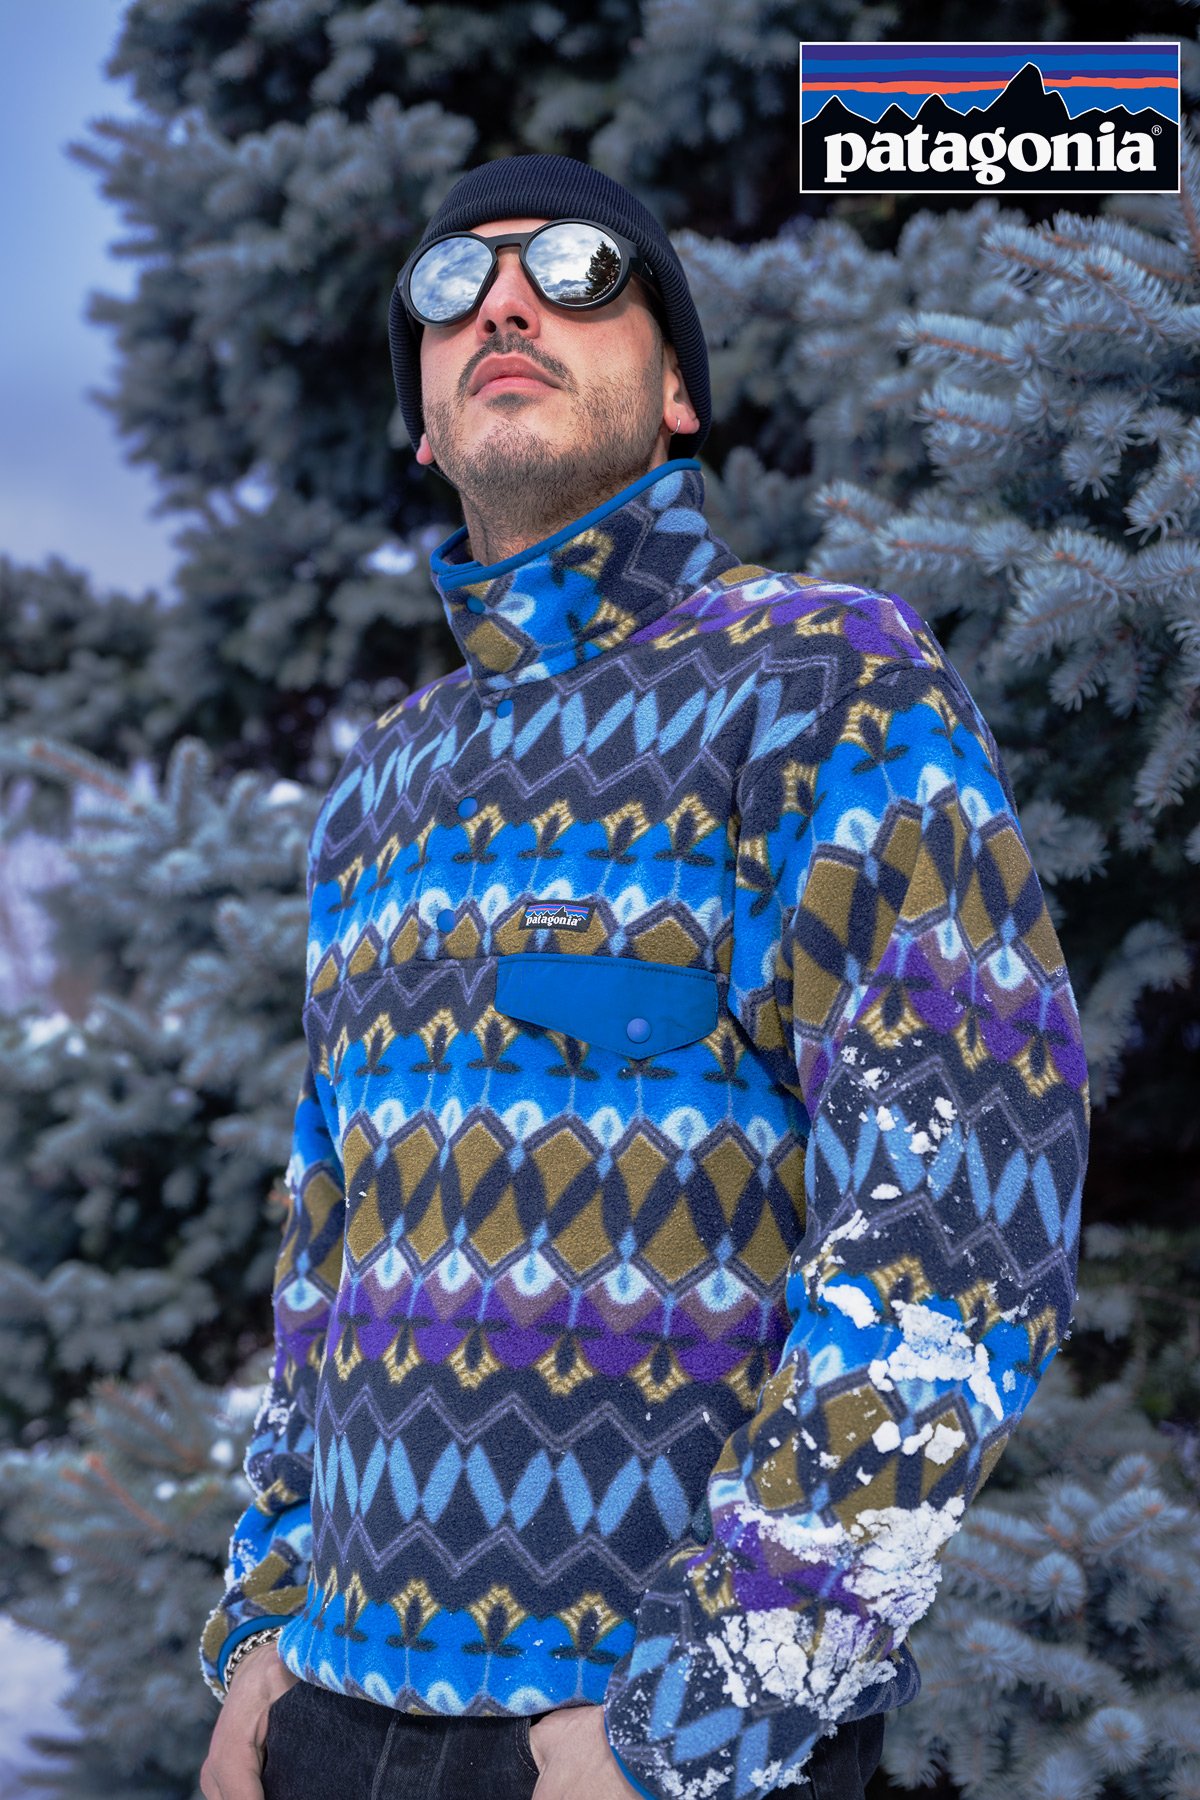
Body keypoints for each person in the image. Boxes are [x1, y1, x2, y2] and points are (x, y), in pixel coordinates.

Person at [199, 152, 1090, 1800]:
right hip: (326, 1724)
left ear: (677, 386)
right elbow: (327, 1250)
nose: (508, 303)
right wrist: (260, 1638)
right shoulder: (380, 790)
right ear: (421, 415)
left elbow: (967, 1212)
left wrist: (699, 1715)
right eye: (451, 290)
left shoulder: (822, 682)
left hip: (643, 1748)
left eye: (580, 269)